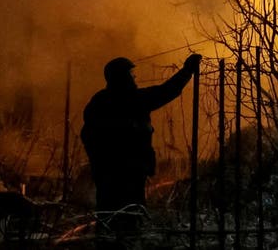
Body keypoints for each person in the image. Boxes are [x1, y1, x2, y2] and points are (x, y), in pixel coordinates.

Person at [80, 53, 201, 242]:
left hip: (109, 175)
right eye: (130, 74)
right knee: (127, 222)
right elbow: (166, 91)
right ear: (121, 77)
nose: (134, 78)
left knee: (109, 221)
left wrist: (99, 164)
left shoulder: (99, 102)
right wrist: (187, 71)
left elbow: (88, 137)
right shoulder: (130, 100)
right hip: (127, 175)